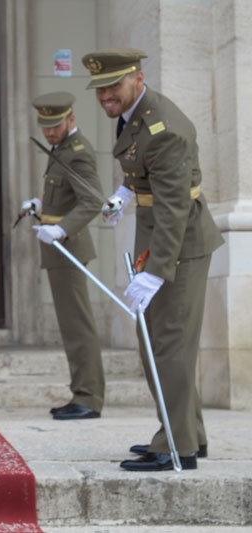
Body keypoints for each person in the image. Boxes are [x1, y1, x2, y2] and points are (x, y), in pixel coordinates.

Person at [82, 48, 224, 471]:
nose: (105, 96)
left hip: (177, 247)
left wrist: (157, 271)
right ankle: (190, 434)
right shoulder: (135, 115)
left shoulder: (164, 128)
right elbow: (143, 171)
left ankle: (176, 445)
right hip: (160, 239)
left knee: (168, 348)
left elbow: (175, 207)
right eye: (100, 89)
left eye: (113, 86)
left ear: (138, 78)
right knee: (162, 345)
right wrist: (123, 195)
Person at [23, 91, 105, 421]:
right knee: (72, 326)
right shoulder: (62, 149)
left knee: (77, 326)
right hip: (59, 248)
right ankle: (81, 392)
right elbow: (64, 195)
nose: (49, 132)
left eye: (55, 126)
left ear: (71, 119)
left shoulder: (78, 153)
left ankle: (88, 397)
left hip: (68, 247)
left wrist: (60, 229)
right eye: (45, 127)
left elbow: (93, 200)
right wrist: (40, 206)